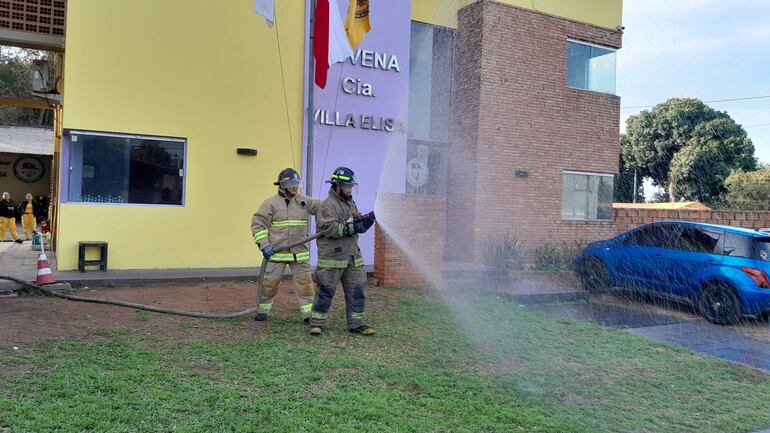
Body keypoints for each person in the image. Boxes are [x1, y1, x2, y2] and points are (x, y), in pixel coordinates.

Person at [309, 167, 376, 336]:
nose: (350, 190)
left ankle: (357, 324)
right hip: (332, 257)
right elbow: (330, 229)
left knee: (357, 291)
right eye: (347, 186)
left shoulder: (350, 202)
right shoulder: (327, 205)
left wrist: (363, 220)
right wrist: (354, 227)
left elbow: (352, 220)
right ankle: (316, 323)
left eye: (351, 186)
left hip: (352, 257)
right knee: (326, 291)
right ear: (337, 186)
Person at [251, 168, 321, 322]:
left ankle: (308, 315)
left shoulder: (304, 201)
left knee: (305, 285)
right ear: (282, 184)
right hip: (277, 253)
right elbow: (258, 224)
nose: (294, 187)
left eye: (296, 183)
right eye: (290, 184)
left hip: (299, 253)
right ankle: (262, 310)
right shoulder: (270, 203)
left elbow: (324, 208)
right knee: (270, 284)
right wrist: (264, 245)